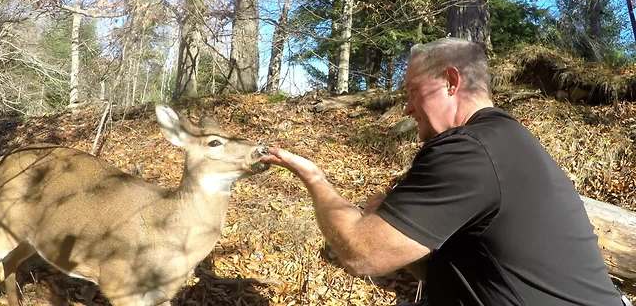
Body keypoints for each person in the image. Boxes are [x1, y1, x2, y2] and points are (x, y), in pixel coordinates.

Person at [260, 38, 625, 306]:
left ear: (451, 81)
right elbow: (451, 264)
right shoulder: (502, 140)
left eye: (412, 92)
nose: (406, 108)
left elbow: (362, 254)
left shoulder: (470, 149)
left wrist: (314, 178)